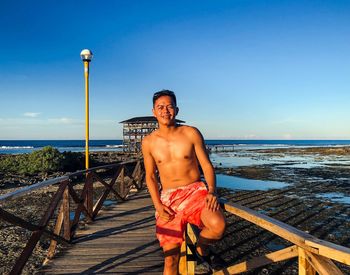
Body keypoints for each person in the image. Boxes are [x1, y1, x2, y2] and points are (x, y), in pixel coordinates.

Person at [142, 90, 226, 275]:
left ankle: (201, 248)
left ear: (177, 110)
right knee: (171, 259)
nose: (165, 111)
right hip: (168, 200)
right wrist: (157, 205)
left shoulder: (191, 133)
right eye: (160, 107)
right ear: (154, 111)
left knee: (217, 227)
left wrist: (212, 190)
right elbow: (150, 176)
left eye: (169, 106)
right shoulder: (148, 142)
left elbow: (206, 165)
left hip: (195, 192)